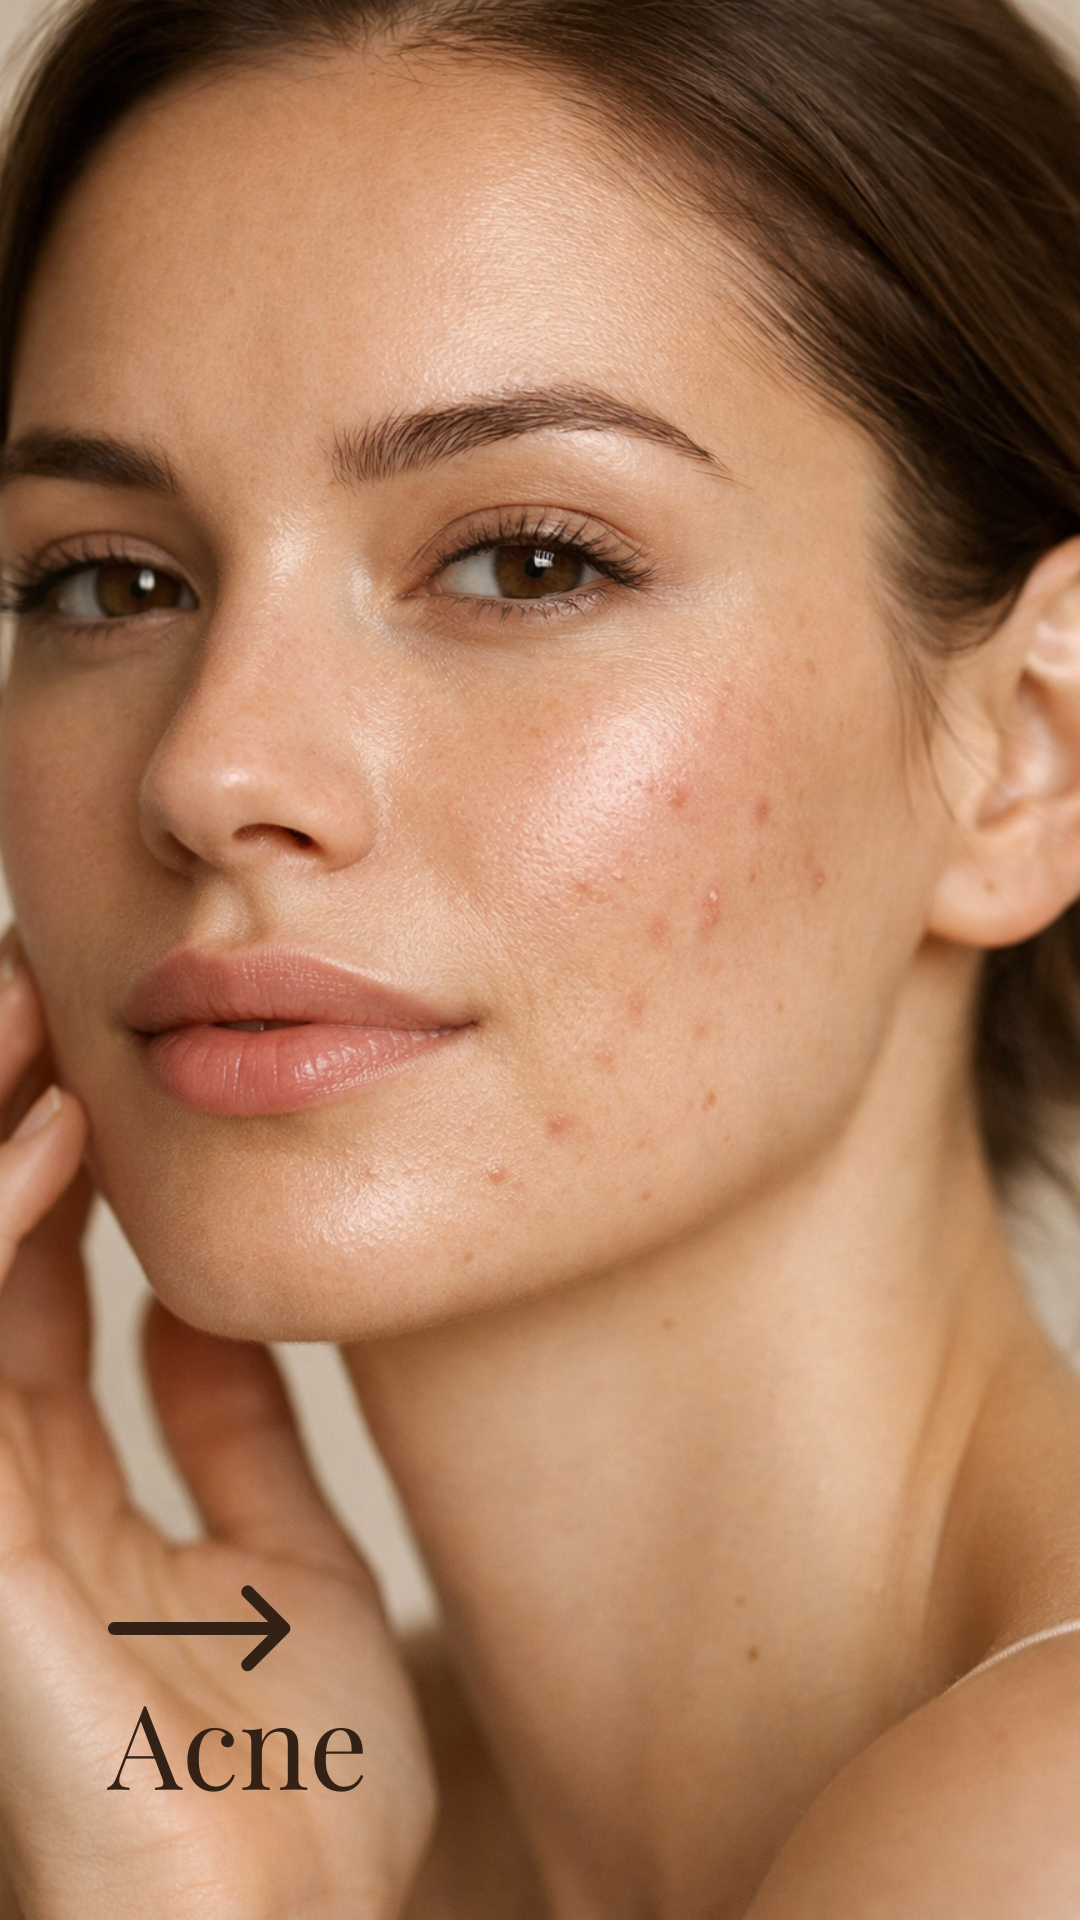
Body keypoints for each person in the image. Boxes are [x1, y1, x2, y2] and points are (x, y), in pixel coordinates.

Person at [1, 0, 1080, 1910]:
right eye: (111, 582)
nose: (210, 766)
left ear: (1029, 752)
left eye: (524, 560)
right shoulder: (251, 1813)